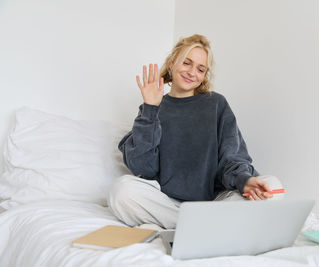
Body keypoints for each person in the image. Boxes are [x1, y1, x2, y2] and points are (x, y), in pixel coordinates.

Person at [108, 34, 282, 229]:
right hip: (168, 203)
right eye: (187, 63)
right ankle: (207, 227)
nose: (192, 72)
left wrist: (244, 180)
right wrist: (150, 108)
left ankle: (194, 226)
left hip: (214, 203)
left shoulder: (216, 104)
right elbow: (144, 169)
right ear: (173, 62)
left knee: (273, 185)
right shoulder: (155, 108)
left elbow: (232, 157)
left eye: (201, 69)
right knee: (121, 191)